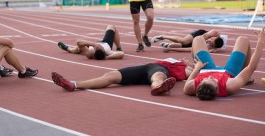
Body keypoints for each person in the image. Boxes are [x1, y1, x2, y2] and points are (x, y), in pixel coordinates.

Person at [183, 27, 265, 100]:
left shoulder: (190, 87)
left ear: (198, 86)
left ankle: (210, 45)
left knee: (197, 39)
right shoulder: (230, 86)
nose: (210, 77)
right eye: (213, 80)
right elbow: (252, 67)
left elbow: (188, 84)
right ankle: (247, 78)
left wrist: (197, 68)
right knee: (243, 39)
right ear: (217, 89)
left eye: (205, 80)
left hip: (206, 69)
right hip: (229, 72)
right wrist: (260, 42)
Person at [51, 57, 195, 96]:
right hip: (144, 67)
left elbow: (191, 75)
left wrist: (196, 67)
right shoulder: (177, 60)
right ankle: (73, 84)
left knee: (157, 76)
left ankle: (159, 87)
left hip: (159, 69)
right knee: (110, 76)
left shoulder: (185, 68)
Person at [58, 25, 124, 60]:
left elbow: (78, 42)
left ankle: (67, 48)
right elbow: (121, 54)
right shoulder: (108, 52)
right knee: (111, 26)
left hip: (91, 46)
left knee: (78, 48)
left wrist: (94, 45)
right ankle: (119, 47)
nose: (99, 46)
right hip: (106, 43)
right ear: (103, 50)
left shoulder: (90, 54)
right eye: (100, 48)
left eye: (98, 48)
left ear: (95, 51)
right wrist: (107, 57)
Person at [152, 29, 224, 53]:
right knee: (183, 41)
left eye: (211, 42)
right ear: (215, 37)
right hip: (199, 34)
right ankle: (163, 36)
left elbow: (190, 50)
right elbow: (198, 39)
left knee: (182, 46)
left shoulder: (210, 48)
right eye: (211, 39)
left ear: (213, 46)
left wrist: (171, 49)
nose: (210, 40)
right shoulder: (214, 33)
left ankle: (168, 45)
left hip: (200, 42)